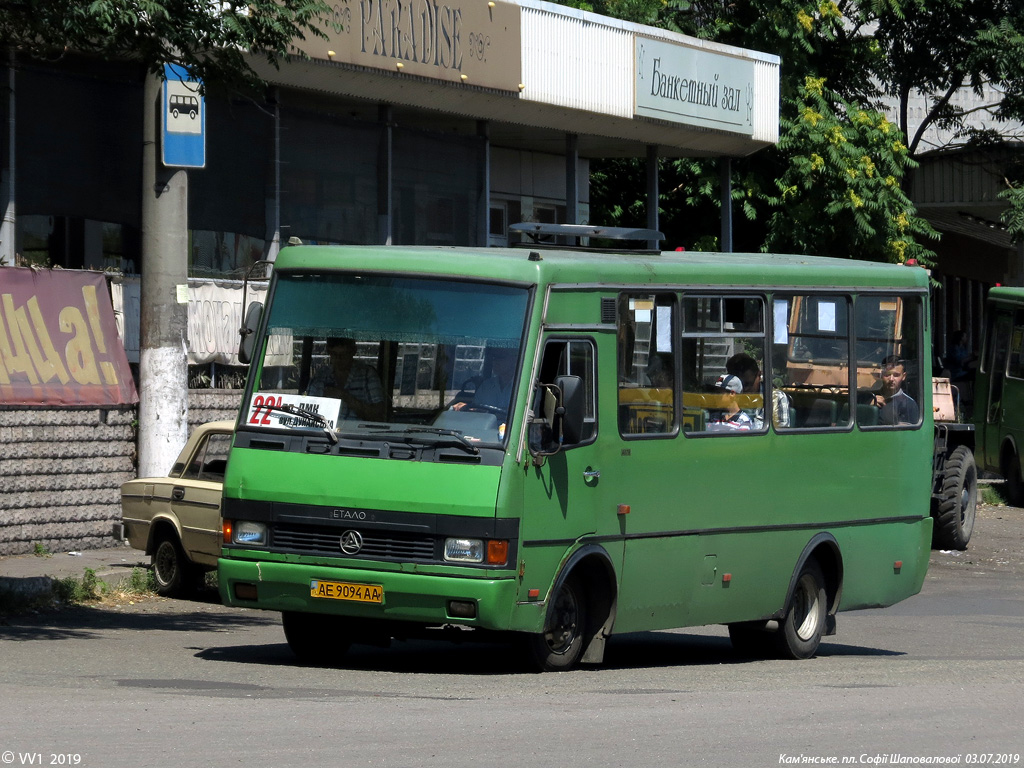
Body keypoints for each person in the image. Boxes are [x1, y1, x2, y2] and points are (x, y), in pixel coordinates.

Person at [307, 337, 386, 421]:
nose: (338, 359)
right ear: (328, 352)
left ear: (353, 351)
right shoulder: (320, 376)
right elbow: (306, 408)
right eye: (334, 354)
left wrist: (345, 397)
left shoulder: (367, 375)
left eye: (343, 354)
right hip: (323, 430)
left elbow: (378, 415)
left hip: (356, 432)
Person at [726, 352, 791, 428]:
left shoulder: (776, 398)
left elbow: (781, 434)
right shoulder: (729, 398)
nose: (742, 389)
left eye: (746, 384)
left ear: (759, 376)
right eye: (737, 384)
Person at [452, 346, 517, 413]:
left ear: (514, 360)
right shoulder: (486, 386)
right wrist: (466, 407)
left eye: (500, 357)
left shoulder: (522, 388)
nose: (495, 361)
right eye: (493, 358)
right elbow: (476, 410)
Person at [872, 354, 919, 425]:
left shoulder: (909, 404)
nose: (891, 379)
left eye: (896, 375)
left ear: (904, 376)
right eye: (887, 374)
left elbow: (902, 434)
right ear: (881, 375)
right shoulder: (870, 397)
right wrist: (869, 406)